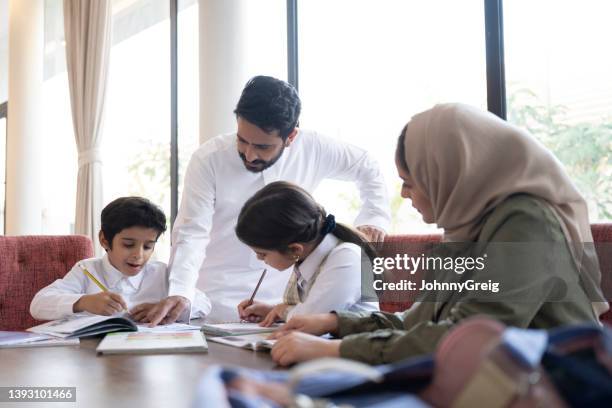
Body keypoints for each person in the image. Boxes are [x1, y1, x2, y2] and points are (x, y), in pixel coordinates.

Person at [266, 103, 606, 366]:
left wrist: (334, 349)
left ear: (447, 174)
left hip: (558, 385)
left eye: (411, 182)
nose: (403, 194)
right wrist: (331, 322)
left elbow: (469, 337)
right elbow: (418, 320)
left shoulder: (527, 223)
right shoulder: (465, 228)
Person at [145, 75, 391, 324]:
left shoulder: (314, 149)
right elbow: (191, 232)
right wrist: (181, 292)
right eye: (242, 140)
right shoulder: (209, 159)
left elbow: (366, 166)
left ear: (291, 137)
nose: (249, 155)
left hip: (290, 297)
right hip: (216, 294)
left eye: (263, 147)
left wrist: (375, 216)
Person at [30, 197, 210, 321]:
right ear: (104, 240)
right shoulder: (87, 270)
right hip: (93, 359)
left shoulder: (162, 273)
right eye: (128, 244)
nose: (139, 254)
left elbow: (204, 303)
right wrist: (84, 302)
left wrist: (167, 308)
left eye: (148, 246)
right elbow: (38, 305)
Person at [235, 181, 379, 326]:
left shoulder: (347, 257)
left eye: (262, 253)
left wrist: (283, 310)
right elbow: (312, 310)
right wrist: (272, 311)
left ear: (295, 249)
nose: (259, 258)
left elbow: (309, 320)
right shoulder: (307, 258)